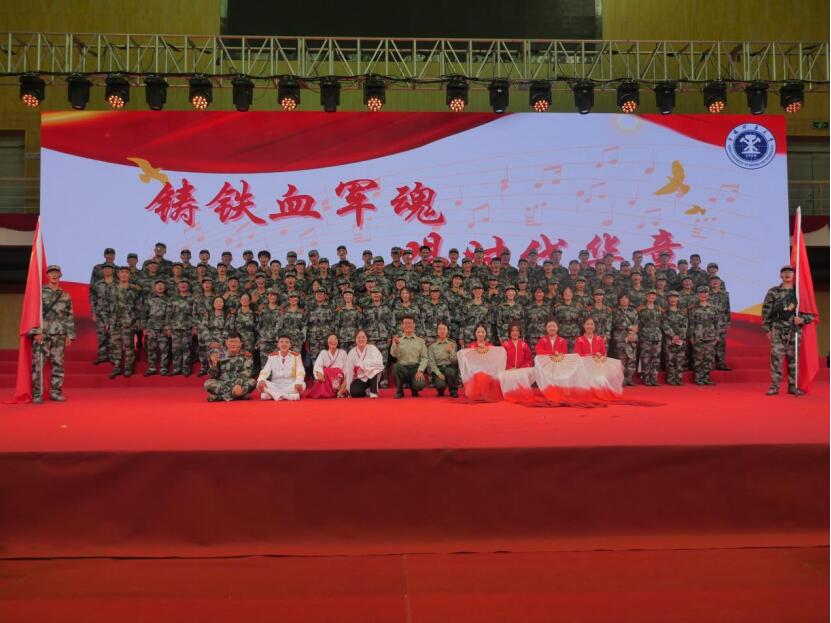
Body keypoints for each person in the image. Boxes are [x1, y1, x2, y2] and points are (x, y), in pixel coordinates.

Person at [762, 265, 815, 396]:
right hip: (777, 330)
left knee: (793, 360)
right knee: (776, 359)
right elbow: (766, 312)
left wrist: (802, 319)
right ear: (780, 275)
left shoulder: (799, 292)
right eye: (784, 272)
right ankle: (774, 387)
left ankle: (793, 386)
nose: (787, 274)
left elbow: (811, 313)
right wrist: (767, 330)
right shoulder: (773, 291)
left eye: (790, 272)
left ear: (794, 275)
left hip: (794, 331)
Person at [30, 265, 75, 403]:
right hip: (42, 334)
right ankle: (37, 394)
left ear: (60, 275)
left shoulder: (65, 295)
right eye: (51, 273)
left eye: (56, 272)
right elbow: (33, 313)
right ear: (47, 275)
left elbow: (69, 315)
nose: (54, 275)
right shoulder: (40, 292)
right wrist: (36, 331)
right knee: (38, 365)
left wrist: (69, 335)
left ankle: (55, 392)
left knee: (58, 365)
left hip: (59, 334)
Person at [204, 333, 256, 402]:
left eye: (236, 342)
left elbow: (246, 373)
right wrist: (214, 365)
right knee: (208, 384)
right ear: (226, 343)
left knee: (252, 382)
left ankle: (220, 397)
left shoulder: (246, 356)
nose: (233, 344)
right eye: (231, 341)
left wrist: (238, 384)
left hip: (239, 382)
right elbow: (212, 376)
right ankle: (238, 395)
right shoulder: (220, 355)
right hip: (223, 383)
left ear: (241, 343)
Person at [457, 324, 504, 402]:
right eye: (478, 332)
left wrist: (487, 350)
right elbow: (467, 361)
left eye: (482, 332)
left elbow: (494, 360)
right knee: (480, 375)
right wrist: (476, 350)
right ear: (475, 333)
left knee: (486, 375)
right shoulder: (471, 346)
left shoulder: (490, 346)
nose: (480, 334)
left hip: (488, 372)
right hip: (474, 372)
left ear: (486, 333)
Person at [108, 266, 140, 378]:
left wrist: (138, 320)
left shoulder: (135, 289)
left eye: (126, 272)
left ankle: (128, 368)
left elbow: (139, 306)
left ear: (130, 275)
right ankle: (117, 367)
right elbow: (106, 305)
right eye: (122, 272)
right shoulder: (111, 288)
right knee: (115, 345)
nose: (124, 274)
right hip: (114, 321)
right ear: (118, 274)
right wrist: (106, 320)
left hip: (129, 321)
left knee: (129, 346)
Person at [257, 335, 306, 400]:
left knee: (302, 385)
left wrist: (298, 382)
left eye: (286, 342)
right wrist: (261, 380)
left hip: (291, 384)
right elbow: (265, 371)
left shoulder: (296, 356)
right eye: (281, 342)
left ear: (290, 345)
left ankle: (272, 395)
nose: (284, 344)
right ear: (278, 345)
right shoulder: (272, 356)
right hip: (275, 385)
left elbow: (301, 371)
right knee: (259, 384)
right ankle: (289, 396)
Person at [390, 315, 428, 398]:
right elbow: (393, 355)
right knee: (396, 367)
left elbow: (425, 358)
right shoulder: (398, 340)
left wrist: (420, 370)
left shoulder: (420, 341)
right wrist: (396, 345)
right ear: (402, 326)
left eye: (410, 323)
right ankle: (399, 391)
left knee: (420, 384)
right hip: (403, 369)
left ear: (414, 325)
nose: (408, 325)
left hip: (415, 369)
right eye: (406, 323)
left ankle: (414, 389)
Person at [688, 286, 717, 386]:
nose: (703, 295)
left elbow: (717, 323)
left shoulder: (713, 308)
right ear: (697, 294)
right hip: (698, 336)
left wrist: (717, 336)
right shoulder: (693, 308)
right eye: (701, 293)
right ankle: (699, 378)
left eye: (705, 293)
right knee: (699, 358)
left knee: (709, 358)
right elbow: (691, 324)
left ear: (708, 294)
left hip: (710, 337)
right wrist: (691, 336)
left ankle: (706, 378)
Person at [303, 333, 348, 399]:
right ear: (327, 342)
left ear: (338, 342)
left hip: (339, 379)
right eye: (331, 339)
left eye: (335, 339)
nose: (333, 341)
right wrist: (320, 374)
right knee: (325, 371)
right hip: (326, 380)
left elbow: (346, 369)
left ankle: (339, 391)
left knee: (329, 371)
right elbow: (317, 366)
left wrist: (344, 383)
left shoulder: (343, 353)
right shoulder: (323, 353)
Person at [498, 322, 535, 401]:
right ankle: (510, 393)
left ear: (519, 332)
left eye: (517, 331)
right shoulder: (505, 344)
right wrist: (509, 368)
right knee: (507, 375)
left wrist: (521, 368)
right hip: (508, 370)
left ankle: (520, 392)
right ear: (509, 332)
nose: (515, 333)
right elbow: (501, 359)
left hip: (521, 369)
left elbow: (529, 359)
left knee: (526, 373)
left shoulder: (524, 345)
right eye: (512, 331)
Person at [345, 329, 385, 398]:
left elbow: (379, 363)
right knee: (354, 393)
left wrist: (364, 365)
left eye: (363, 337)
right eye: (359, 337)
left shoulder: (372, 348)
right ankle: (366, 390)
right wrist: (349, 388)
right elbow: (349, 372)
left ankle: (373, 391)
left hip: (373, 376)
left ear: (367, 339)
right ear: (355, 339)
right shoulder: (351, 353)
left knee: (373, 369)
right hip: (360, 378)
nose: (361, 339)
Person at [143, 279, 171, 376]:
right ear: (154, 287)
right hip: (151, 327)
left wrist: (169, 328)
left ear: (165, 287)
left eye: (162, 285)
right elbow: (144, 314)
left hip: (164, 327)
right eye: (158, 285)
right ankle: (152, 368)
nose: (160, 286)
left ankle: (164, 368)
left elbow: (171, 315)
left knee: (164, 349)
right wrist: (144, 327)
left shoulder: (169, 300)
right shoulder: (149, 299)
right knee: (151, 348)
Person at [661, 291, 689, 386]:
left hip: (681, 340)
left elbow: (685, 325)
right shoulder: (665, 313)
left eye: (675, 297)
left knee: (680, 359)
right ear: (668, 299)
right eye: (671, 297)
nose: (673, 299)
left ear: (678, 299)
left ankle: (679, 378)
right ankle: (671, 378)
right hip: (669, 340)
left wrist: (679, 336)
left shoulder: (682, 313)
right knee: (670, 359)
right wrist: (673, 336)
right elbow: (664, 325)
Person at [611, 293, 639, 386]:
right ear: (619, 300)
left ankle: (629, 378)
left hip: (632, 338)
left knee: (631, 359)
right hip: (620, 338)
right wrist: (630, 327)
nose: (624, 300)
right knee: (621, 359)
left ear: (629, 300)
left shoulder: (633, 311)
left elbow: (636, 324)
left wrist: (633, 333)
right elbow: (616, 324)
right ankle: (621, 379)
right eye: (622, 298)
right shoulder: (615, 311)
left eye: (626, 298)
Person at [637, 289, 663, 386]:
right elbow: (638, 323)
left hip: (657, 336)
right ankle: (646, 378)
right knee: (646, 358)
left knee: (656, 358)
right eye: (649, 295)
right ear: (646, 296)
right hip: (645, 336)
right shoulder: (641, 309)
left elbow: (662, 323)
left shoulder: (659, 309)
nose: (651, 297)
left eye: (653, 295)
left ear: (655, 297)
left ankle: (654, 378)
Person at [427, 321, 459, 397]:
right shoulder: (432, 346)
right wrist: (439, 374)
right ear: (437, 331)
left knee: (450, 372)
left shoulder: (452, 344)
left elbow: (455, 361)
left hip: (449, 368)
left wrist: (451, 351)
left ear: (447, 331)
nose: (442, 331)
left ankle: (453, 391)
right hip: (438, 369)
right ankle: (440, 390)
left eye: (444, 329)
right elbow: (431, 362)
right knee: (440, 385)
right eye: (440, 329)